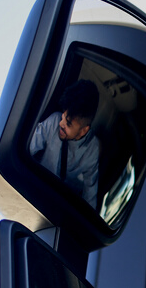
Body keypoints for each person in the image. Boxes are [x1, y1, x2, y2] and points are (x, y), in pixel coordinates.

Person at [29, 79, 101, 210]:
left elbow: (90, 192)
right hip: (38, 193)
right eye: (63, 116)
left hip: (63, 207)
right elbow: (29, 146)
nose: (61, 123)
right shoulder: (53, 122)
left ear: (83, 130)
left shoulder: (93, 149)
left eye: (68, 124)